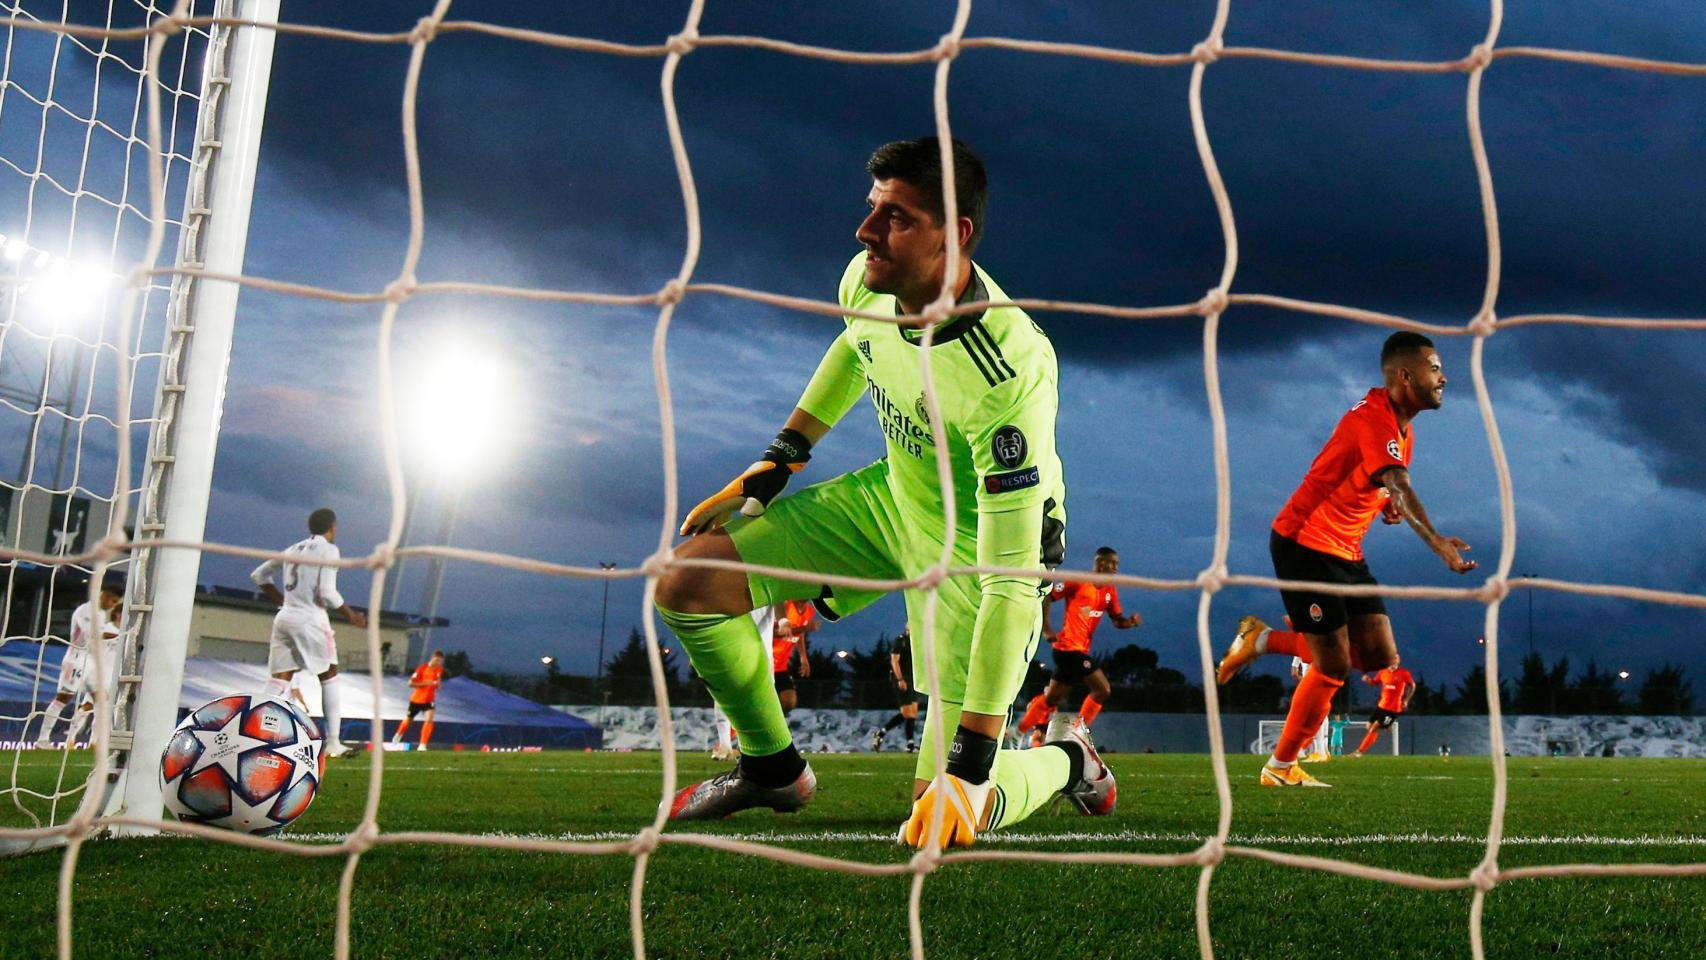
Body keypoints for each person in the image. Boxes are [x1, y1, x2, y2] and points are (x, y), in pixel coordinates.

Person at [656, 137, 1113, 846]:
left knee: (943, 819)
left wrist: (970, 764)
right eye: (872, 210)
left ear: (953, 236)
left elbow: (1010, 582)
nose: (866, 232)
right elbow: (855, 344)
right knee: (690, 582)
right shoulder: (869, 280)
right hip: (891, 501)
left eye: (895, 217)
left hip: (979, 552)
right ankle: (771, 767)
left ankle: (1065, 760)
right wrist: (782, 456)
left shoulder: (1009, 370)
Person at [1216, 331, 1476, 787]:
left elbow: (1381, 483)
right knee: (1333, 665)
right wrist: (1435, 541)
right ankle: (1279, 768)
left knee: (1379, 656)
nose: (1444, 377)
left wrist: (1388, 506)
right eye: (1434, 368)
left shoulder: (1403, 429)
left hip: (1347, 552)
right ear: (1404, 374)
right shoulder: (1373, 418)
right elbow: (1396, 480)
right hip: (1304, 544)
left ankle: (1264, 640)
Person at [252, 507, 366, 759]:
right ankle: (334, 742)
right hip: (310, 618)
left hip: (285, 617)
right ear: (332, 528)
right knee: (330, 675)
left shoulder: (292, 549)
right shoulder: (329, 549)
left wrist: (283, 601)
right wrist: (351, 615)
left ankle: (250, 732)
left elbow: (259, 575)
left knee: (279, 680)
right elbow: (327, 591)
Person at [1013, 546, 1140, 741]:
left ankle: (1017, 732)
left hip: (1078, 650)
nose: (1115, 567)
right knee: (1102, 690)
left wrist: (1130, 622)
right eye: (1112, 563)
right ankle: (1076, 734)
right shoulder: (1078, 581)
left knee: (1052, 698)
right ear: (1099, 563)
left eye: (1117, 564)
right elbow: (1048, 596)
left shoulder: (1110, 591)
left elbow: (1117, 620)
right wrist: (1047, 629)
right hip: (1068, 649)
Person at [35, 579, 124, 748]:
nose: (112, 605)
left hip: (90, 661)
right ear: (104, 595)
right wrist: (121, 636)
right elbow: (93, 635)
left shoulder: (100, 614)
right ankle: (43, 739)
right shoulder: (85, 610)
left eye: (115, 603)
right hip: (76, 658)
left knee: (102, 700)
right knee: (63, 698)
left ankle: (94, 742)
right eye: (112, 601)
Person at [1351, 656, 1414, 756]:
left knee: (1375, 727)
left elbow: (1412, 686)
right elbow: (1375, 682)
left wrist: (1406, 700)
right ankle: (1385, 725)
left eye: (1396, 658)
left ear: (1398, 660)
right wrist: (1368, 680)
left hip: (1393, 709)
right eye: (1392, 658)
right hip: (1381, 706)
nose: (1394, 660)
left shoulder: (1404, 673)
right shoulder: (1383, 672)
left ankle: (1359, 751)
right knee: (1369, 727)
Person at [871, 626, 920, 752]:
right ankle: (881, 733)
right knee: (906, 712)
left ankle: (910, 744)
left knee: (913, 712)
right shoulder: (900, 640)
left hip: (913, 679)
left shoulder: (916, 641)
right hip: (903, 679)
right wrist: (900, 679)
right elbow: (894, 660)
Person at [770, 600, 818, 715]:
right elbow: (773, 632)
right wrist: (804, 628)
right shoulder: (785, 606)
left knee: (789, 701)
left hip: (780, 667)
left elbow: (800, 634)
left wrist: (803, 658)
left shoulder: (809, 611)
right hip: (764, 663)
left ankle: (774, 723)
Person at [392, 650, 446, 750]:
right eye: (437, 660)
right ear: (433, 658)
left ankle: (422, 744)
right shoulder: (422, 668)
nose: (439, 663)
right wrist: (427, 683)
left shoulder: (439, 670)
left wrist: (438, 685)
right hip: (416, 700)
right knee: (408, 720)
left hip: (429, 700)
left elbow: (437, 681)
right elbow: (410, 683)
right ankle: (399, 733)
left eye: (441, 661)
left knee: (429, 719)